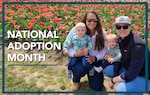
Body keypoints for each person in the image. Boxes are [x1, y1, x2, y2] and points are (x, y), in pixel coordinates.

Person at [103, 16, 150, 95]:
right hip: (129, 69)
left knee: (120, 90)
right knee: (108, 70)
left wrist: (113, 80)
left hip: (144, 76)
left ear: (130, 27)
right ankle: (134, 87)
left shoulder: (137, 45)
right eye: (118, 27)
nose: (121, 29)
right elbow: (115, 51)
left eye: (125, 26)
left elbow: (131, 73)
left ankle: (139, 88)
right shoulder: (121, 40)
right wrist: (108, 56)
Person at [64, 10, 107, 91]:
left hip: (95, 61)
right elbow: (68, 45)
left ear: (97, 21)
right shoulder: (77, 29)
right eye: (89, 20)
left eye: (94, 20)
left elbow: (105, 49)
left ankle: (91, 74)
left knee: (97, 87)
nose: (92, 23)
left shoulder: (101, 33)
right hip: (80, 58)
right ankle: (76, 80)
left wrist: (95, 58)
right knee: (78, 70)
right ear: (85, 20)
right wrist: (76, 54)